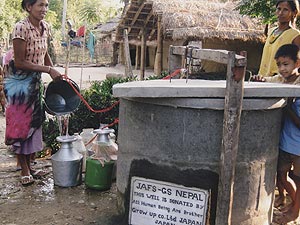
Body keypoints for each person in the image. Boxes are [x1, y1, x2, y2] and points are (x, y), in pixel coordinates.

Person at [4, 0, 62, 186]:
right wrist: (47, 70)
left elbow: (44, 53)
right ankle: (24, 170)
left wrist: (53, 71)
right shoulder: (21, 28)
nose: (44, 9)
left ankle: (29, 164)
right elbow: (19, 62)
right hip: (19, 85)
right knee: (21, 126)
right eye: (40, 5)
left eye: (46, 5)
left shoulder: (45, 27)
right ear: (29, 7)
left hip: (35, 82)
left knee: (35, 123)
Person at [258, 0, 300, 77]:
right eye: (279, 9)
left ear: (294, 13)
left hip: (279, 80)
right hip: (262, 78)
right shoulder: (271, 31)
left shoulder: (295, 35)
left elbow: (298, 62)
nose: (281, 13)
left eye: (285, 10)